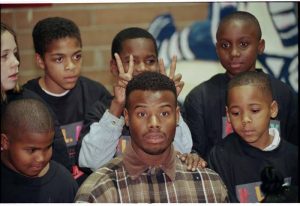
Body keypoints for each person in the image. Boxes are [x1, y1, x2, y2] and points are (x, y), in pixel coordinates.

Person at [75, 71, 228, 203]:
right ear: (127, 118)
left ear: (176, 116)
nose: (154, 123)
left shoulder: (209, 185)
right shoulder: (98, 192)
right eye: (142, 114)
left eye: (164, 113)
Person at [77, 27, 206, 172]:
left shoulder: (175, 107)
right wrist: (117, 108)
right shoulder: (101, 110)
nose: (142, 68)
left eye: (150, 61)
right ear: (114, 67)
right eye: (132, 61)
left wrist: (169, 101)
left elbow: (183, 153)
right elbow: (90, 163)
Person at [183, 11, 298, 160]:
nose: (234, 52)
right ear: (217, 49)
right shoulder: (200, 97)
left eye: (243, 44)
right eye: (225, 45)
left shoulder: (283, 93)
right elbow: (195, 155)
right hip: (221, 180)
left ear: (260, 46)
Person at [22, 17, 112, 184]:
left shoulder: (96, 93)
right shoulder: (24, 101)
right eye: (59, 59)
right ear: (40, 60)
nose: (70, 66)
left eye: (77, 57)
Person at [207, 71, 298, 203]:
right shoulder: (220, 156)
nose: (245, 119)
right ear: (227, 114)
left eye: (255, 110)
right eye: (236, 113)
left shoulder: (293, 156)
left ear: (273, 109)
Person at [1, 22, 71, 171]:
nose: (16, 62)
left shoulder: (30, 103)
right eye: (4, 56)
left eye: (15, 53)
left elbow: (61, 165)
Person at [1, 99, 78, 203]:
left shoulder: (64, 182)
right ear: (5, 142)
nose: (41, 158)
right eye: (31, 150)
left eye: (47, 147)